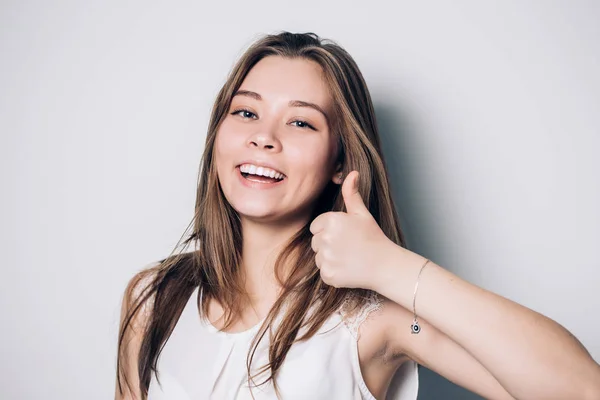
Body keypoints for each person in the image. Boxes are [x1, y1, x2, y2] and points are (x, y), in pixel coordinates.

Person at [115, 32, 600, 400]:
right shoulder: (153, 299)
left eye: (301, 121)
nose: (264, 137)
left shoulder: (378, 323)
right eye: (245, 113)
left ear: (342, 161)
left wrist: (392, 267)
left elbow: (582, 389)